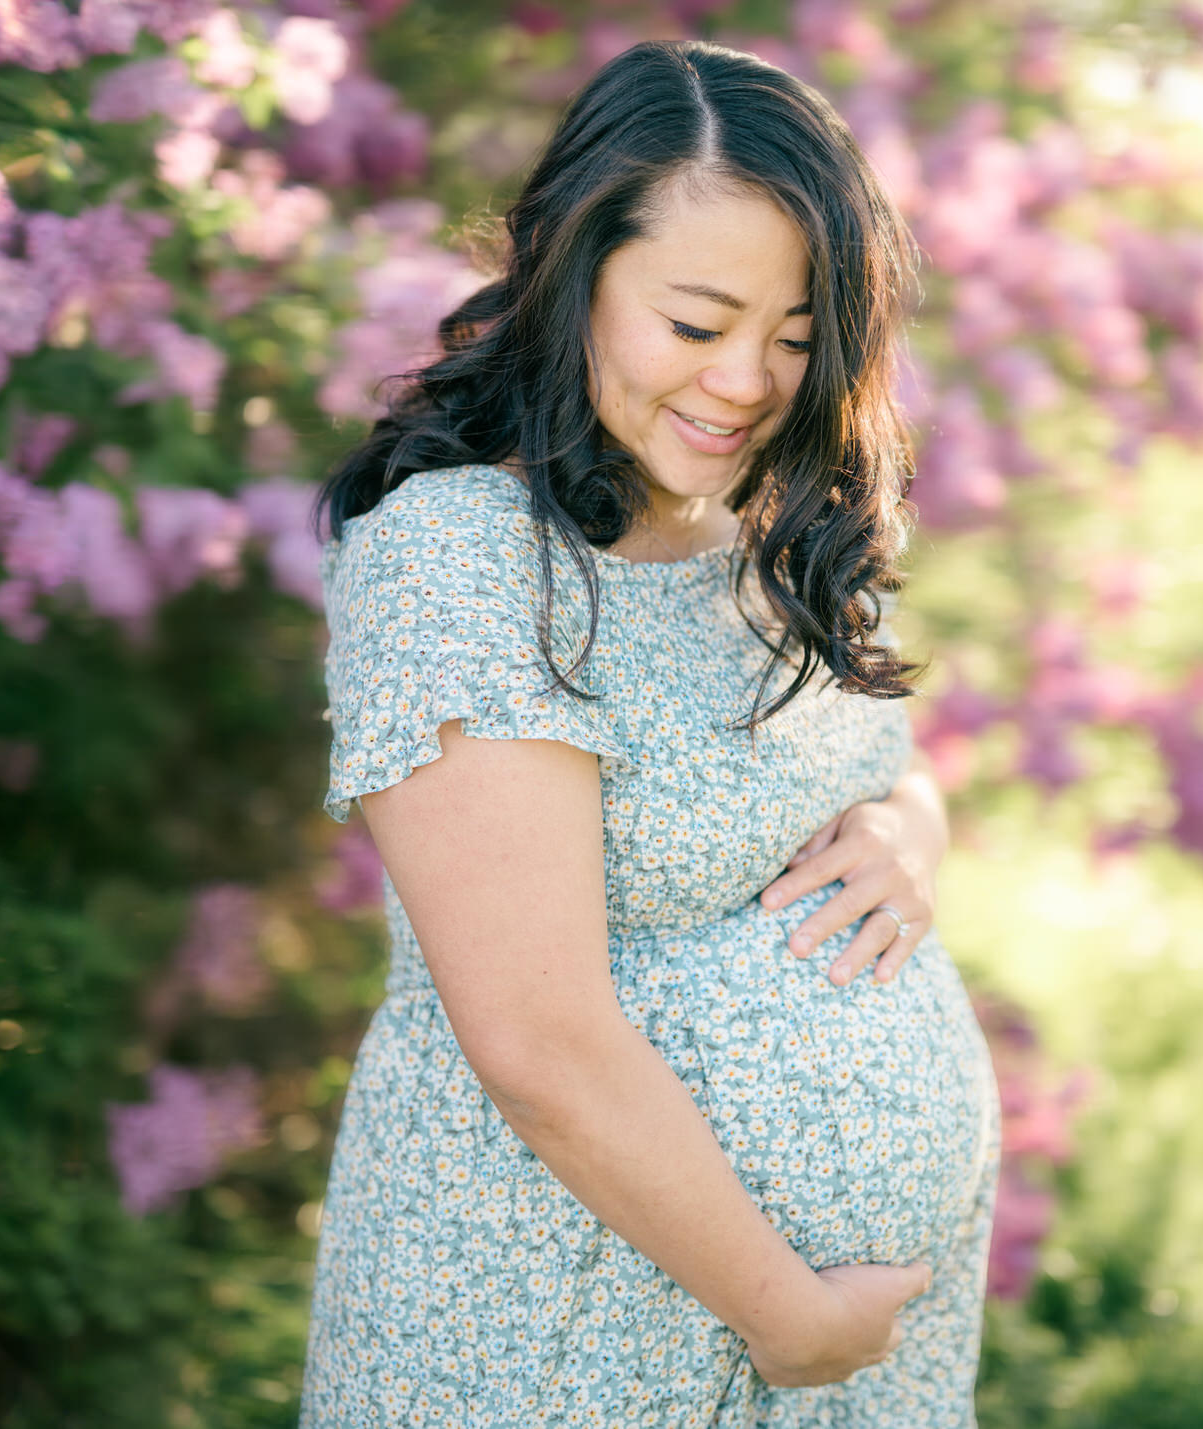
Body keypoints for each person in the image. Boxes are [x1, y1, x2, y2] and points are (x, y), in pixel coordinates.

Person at [296, 38, 1001, 1428]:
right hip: (572, 1338)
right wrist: (790, 1314)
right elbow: (537, 1036)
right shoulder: (466, 557)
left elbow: (871, 769)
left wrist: (911, 829)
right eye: (696, 323)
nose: (747, 380)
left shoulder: (769, 517)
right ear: (573, 271)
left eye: (798, 336)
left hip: (834, 1362)